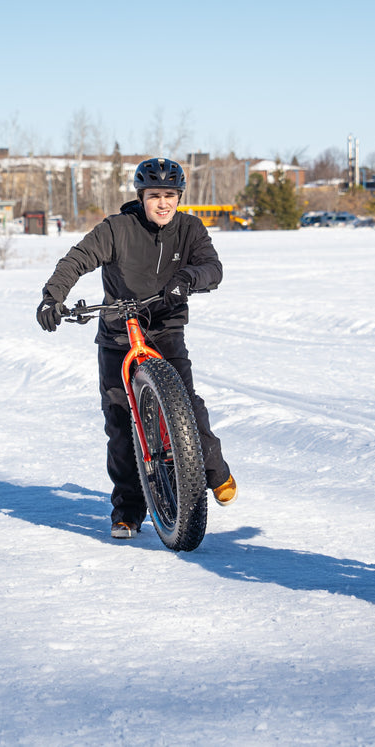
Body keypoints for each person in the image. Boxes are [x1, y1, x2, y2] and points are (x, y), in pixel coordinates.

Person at [37, 158, 236, 539]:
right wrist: (53, 297)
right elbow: (77, 259)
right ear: (141, 197)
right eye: (154, 196)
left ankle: (214, 470)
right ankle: (128, 511)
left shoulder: (190, 229)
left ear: (179, 198)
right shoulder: (117, 229)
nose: (163, 204)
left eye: (170, 196)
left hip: (164, 329)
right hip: (117, 334)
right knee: (119, 424)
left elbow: (213, 267)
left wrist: (187, 279)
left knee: (188, 403)